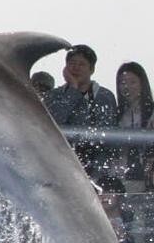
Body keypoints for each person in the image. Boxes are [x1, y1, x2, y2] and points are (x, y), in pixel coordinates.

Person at [43, 44, 119, 182]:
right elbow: (53, 122)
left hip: (96, 169)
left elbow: (106, 136)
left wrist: (96, 175)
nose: (76, 68)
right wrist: (73, 89)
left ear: (92, 69)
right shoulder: (54, 96)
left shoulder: (104, 96)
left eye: (81, 64)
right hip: (62, 165)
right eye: (72, 63)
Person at [115, 61, 154, 180]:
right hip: (122, 176)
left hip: (151, 176)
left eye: (132, 82)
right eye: (122, 82)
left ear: (142, 84)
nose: (127, 87)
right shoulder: (116, 115)